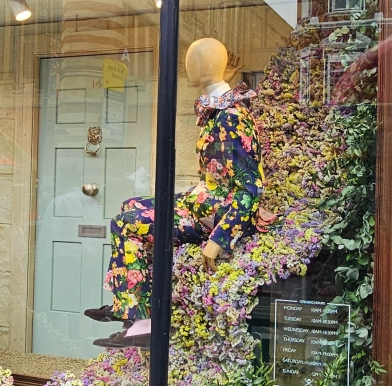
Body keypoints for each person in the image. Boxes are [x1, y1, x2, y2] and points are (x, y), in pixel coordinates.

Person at [89, 37, 263, 349]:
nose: (185, 65)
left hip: (214, 217)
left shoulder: (232, 116)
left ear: (203, 65)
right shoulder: (217, 109)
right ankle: (126, 301)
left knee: (126, 223)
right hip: (203, 203)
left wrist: (219, 239)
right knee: (130, 204)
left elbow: (251, 187)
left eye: (192, 59)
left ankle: (140, 322)